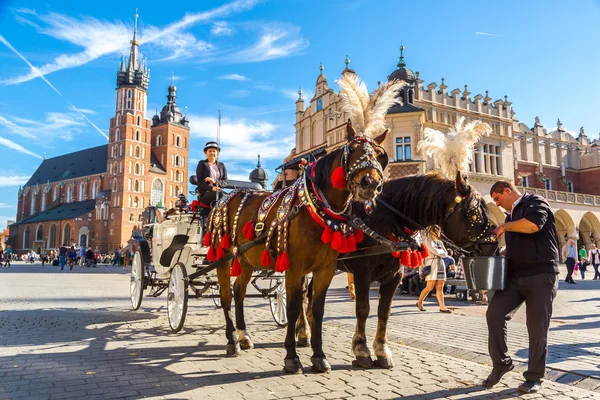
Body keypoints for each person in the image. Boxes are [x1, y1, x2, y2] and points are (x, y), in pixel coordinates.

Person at [484, 180, 559, 394]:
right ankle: (502, 363)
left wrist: (504, 227)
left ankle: (534, 377)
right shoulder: (510, 216)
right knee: (494, 313)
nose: (497, 205)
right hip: (515, 277)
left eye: (497, 199)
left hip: (542, 274)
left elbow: (533, 225)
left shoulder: (535, 202)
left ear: (507, 190)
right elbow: (515, 246)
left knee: (536, 327)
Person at [416, 225, 452, 313]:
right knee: (429, 287)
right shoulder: (427, 241)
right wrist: (421, 271)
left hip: (440, 264)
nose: (437, 234)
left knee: (440, 287)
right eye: (435, 232)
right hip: (431, 264)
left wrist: (440, 253)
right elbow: (433, 252)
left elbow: (445, 254)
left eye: (438, 232)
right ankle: (419, 302)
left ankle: (442, 307)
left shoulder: (440, 242)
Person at [195, 141, 228, 208]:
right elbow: (200, 181)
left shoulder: (221, 165)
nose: (212, 153)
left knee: (231, 197)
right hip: (205, 192)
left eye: (214, 151)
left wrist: (215, 182)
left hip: (218, 191)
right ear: (206, 153)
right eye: (210, 151)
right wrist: (212, 188)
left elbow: (225, 181)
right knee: (219, 195)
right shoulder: (202, 164)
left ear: (217, 153)